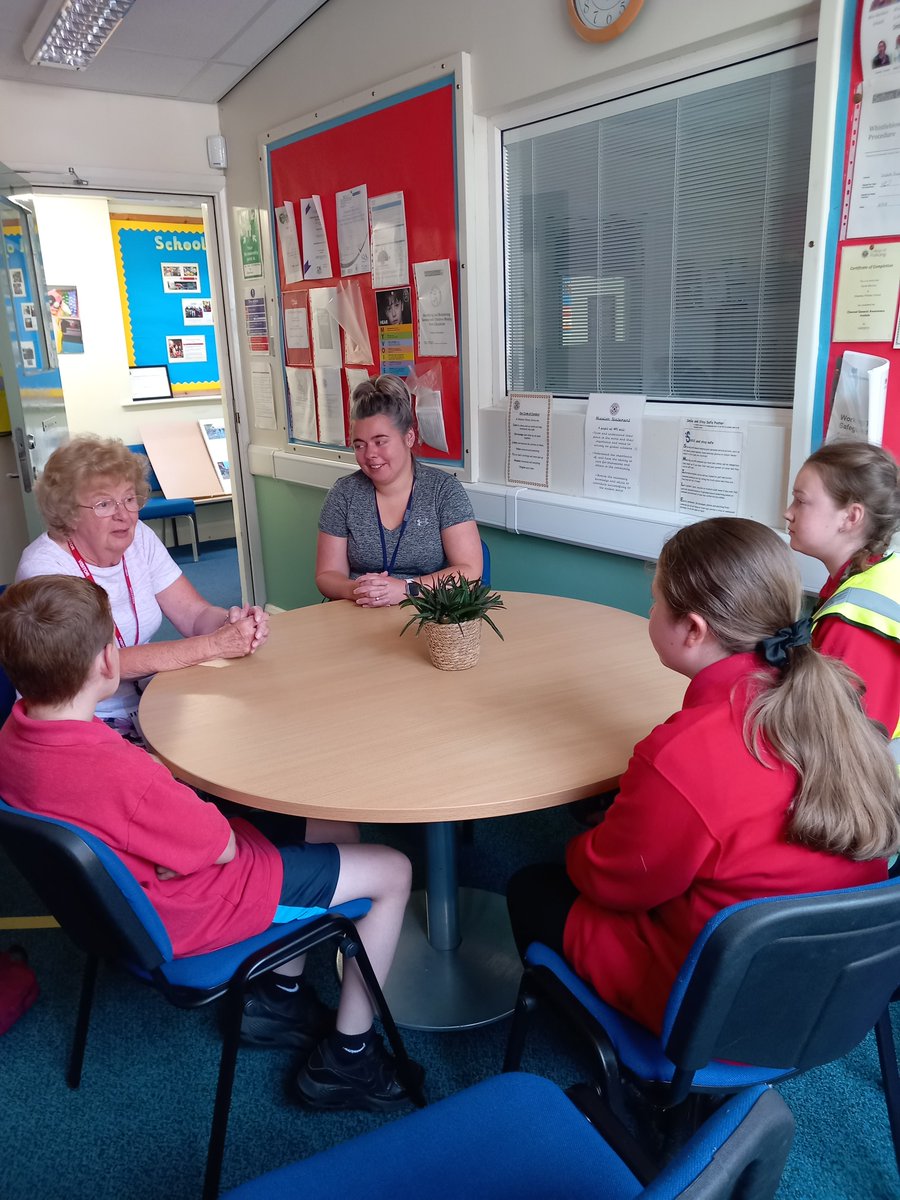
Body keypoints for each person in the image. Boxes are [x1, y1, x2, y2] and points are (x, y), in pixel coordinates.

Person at [0, 575, 418, 1112]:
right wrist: (157, 781)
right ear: (110, 661)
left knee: (332, 829)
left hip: (124, 901)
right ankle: (350, 1058)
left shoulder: (13, 739)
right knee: (393, 870)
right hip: (195, 908)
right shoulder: (121, 772)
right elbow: (220, 845)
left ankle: (280, 1000)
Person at [507, 517, 900, 1037]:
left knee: (532, 886)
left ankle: (626, 1071)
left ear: (693, 629)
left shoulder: (684, 754)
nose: (649, 612)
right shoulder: (838, 707)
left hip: (718, 1005)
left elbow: (610, 881)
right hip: (834, 989)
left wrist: (589, 841)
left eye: (654, 603)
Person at [16, 435, 269, 740]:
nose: (124, 514)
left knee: (245, 730)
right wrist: (214, 645)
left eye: (129, 498)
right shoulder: (45, 569)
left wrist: (231, 625)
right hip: (84, 718)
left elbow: (194, 614)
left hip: (152, 698)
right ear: (67, 511)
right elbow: (98, 665)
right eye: (104, 503)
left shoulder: (141, 539)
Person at [316, 375, 482, 606]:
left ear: (409, 437)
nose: (370, 454)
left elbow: (470, 570)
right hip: (358, 612)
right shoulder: (344, 494)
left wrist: (407, 589)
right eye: (359, 445)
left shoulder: (443, 491)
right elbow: (326, 575)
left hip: (427, 614)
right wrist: (358, 590)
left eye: (380, 441)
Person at [785, 440, 900, 752]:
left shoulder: (854, 619)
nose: (788, 513)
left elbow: (838, 749)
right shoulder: (880, 575)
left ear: (851, 517)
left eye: (800, 501)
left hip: (873, 795)